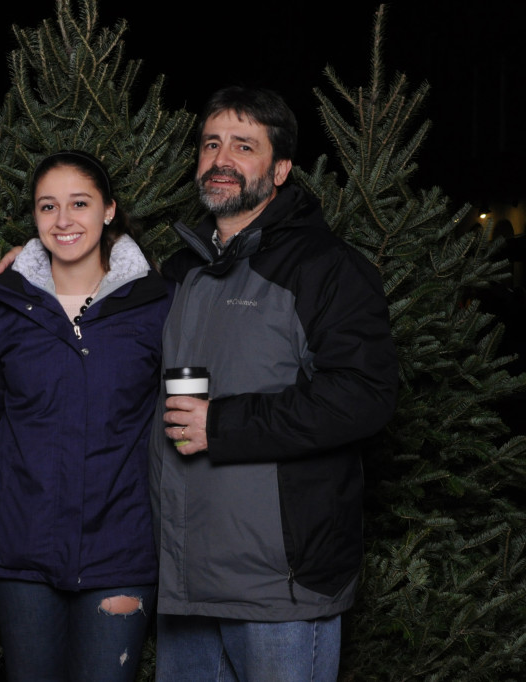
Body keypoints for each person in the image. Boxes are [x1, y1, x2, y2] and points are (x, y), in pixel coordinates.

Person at [150, 86, 399, 681]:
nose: (221, 158)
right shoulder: (178, 272)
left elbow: (364, 396)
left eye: (244, 145)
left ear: (281, 169)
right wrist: (27, 261)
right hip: (184, 582)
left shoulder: (325, 268)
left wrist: (224, 424)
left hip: (280, 586)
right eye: (211, 143)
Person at [0, 151, 169, 681]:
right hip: (23, 547)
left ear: (108, 210)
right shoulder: (7, 304)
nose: (63, 221)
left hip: (122, 549)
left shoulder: (156, 304)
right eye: (48, 206)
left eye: (79, 204)